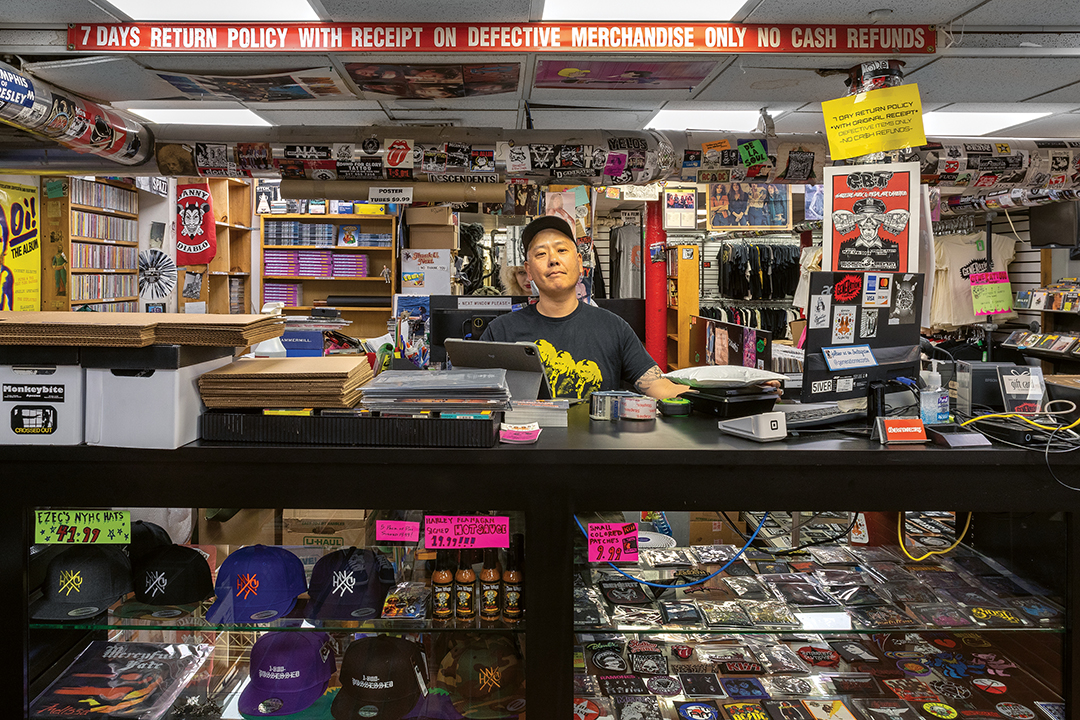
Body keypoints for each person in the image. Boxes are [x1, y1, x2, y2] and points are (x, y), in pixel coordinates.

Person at [480, 216, 688, 400]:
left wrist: (713, 396)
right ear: (529, 271)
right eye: (541, 254)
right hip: (527, 443)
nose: (553, 260)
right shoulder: (501, 331)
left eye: (561, 250)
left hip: (598, 444)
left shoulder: (613, 328)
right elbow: (473, 393)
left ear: (580, 263)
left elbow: (658, 385)